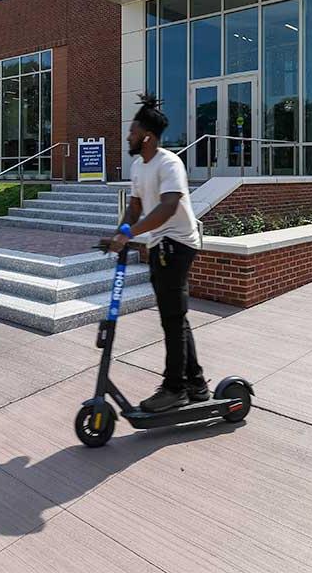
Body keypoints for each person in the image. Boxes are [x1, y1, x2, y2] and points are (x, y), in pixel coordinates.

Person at [107, 93, 206, 412]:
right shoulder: (138, 166)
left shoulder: (169, 163)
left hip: (177, 242)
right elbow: (134, 207)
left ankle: (175, 388)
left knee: (172, 317)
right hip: (159, 244)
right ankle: (196, 383)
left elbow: (168, 206)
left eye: (132, 132)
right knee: (175, 316)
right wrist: (119, 234)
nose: (128, 136)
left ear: (147, 137)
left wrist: (130, 234)